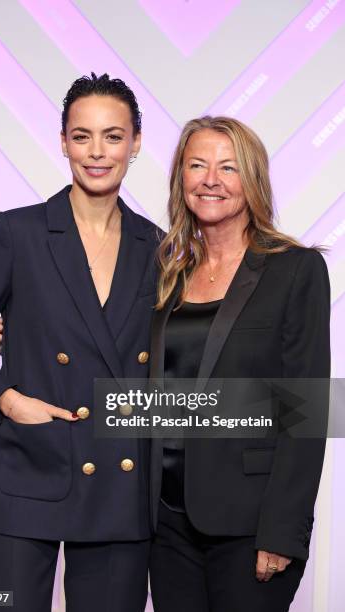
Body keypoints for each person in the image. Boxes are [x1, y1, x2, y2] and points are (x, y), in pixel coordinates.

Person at [0, 73, 161, 612]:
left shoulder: (156, 245)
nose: (97, 151)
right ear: (62, 142)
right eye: (82, 136)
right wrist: (8, 399)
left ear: (136, 143)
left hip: (119, 484)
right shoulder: (17, 232)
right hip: (24, 466)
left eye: (113, 136)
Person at [148, 116, 330, 612]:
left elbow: (307, 412)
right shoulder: (166, 274)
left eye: (228, 167)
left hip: (251, 527)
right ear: (180, 178)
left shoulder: (294, 269)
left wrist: (283, 531)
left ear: (252, 180)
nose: (211, 179)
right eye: (197, 165)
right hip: (165, 524)